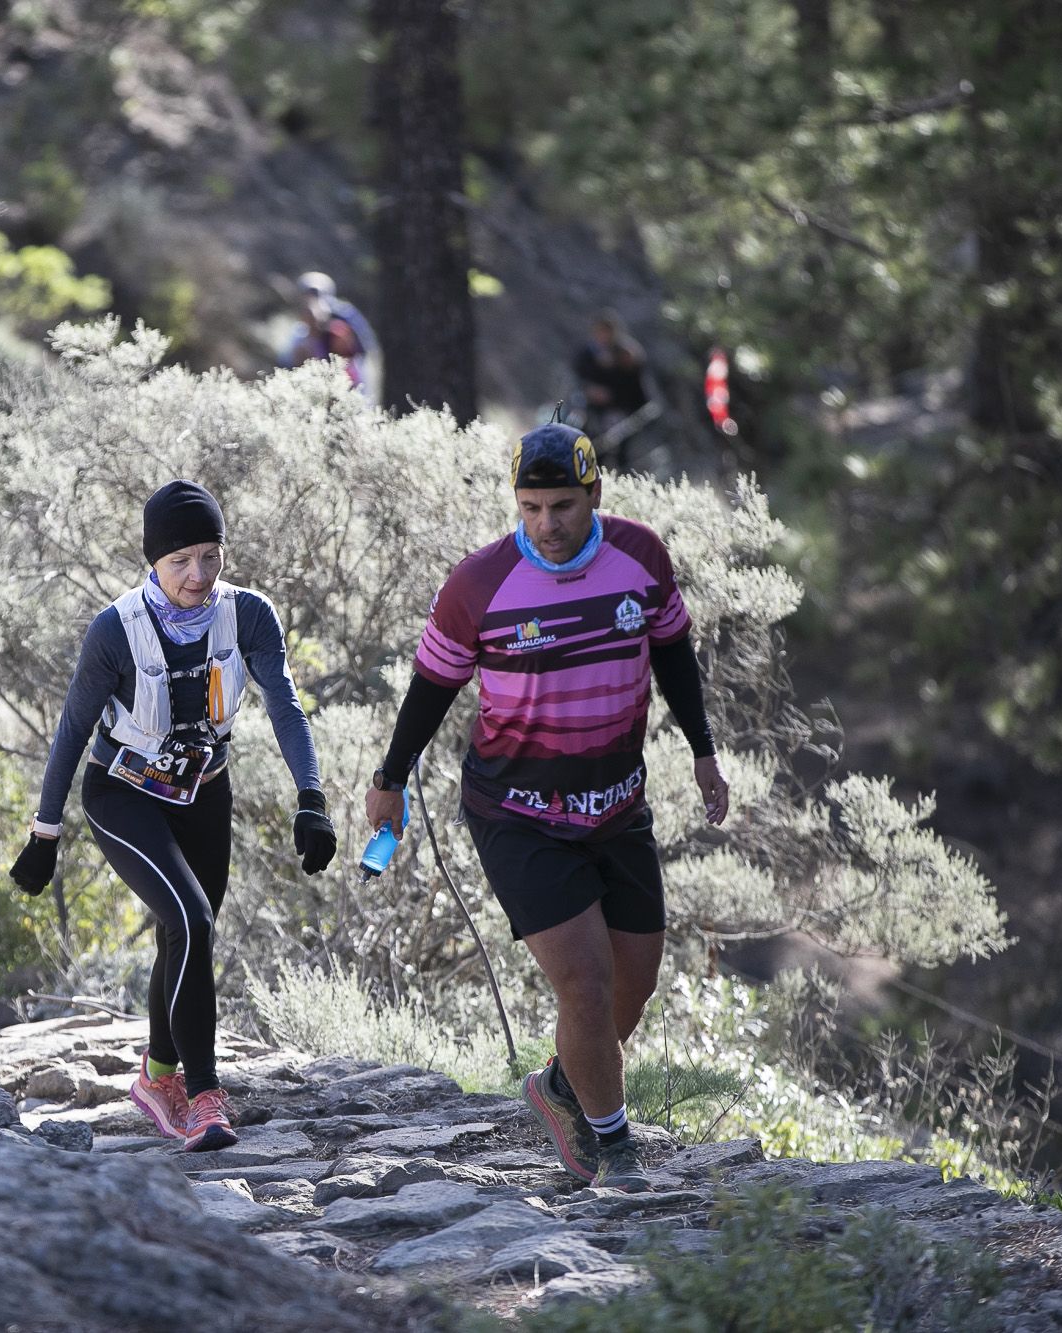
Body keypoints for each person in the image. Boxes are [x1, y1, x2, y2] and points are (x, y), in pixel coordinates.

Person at [363, 424, 729, 1191]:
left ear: (593, 495)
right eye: (530, 506)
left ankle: (562, 1088)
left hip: (618, 804)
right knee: (587, 985)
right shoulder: (480, 585)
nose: (547, 523)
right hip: (517, 810)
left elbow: (672, 653)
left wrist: (702, 750)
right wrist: (389, 776)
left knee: (634, 985)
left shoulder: (640, 557)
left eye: (562, 505)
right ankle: (616, 1151)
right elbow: (433, 687)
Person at [11, 481, 338, 1151]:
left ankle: (157, 1075)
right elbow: (72, 730)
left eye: (210, 556)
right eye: (180, 560)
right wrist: (46, 832)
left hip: (204, 792)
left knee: (184, 934)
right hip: (122, 792)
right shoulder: (116, 629)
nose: (198, 575)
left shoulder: (249, 615)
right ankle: (201, 1094)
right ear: (153, 562)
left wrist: (311, 797)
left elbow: (285, 706)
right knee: (191, 918)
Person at [279, 271, 379, 402]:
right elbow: (286, 359)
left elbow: (364, 346)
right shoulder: (301, 330)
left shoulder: (344, 316)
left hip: (350, 376)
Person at [572, 312, 656, 470]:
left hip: (621, 410)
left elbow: (634, 385)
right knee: (591, 445)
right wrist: (590, 391)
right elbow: (579, 377)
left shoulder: (626, 353)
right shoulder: (588, 353)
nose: (603, 336)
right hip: (593, 410)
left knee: (621, 453)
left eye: (607, 331)